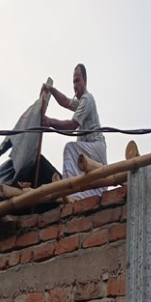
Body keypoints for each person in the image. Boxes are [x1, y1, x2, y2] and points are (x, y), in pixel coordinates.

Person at [42, 63, 108, 200]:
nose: (75, 85)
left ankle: (71, 193)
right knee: (86, 174)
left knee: (70, 149)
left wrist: (50, 122)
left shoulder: (87, 100)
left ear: (85, 80)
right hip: (91, 150)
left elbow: (72, 126)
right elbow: (66, 102)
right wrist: (51, 89)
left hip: (95, 147)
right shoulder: (81, 101)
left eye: (78, 81)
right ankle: (81, 196)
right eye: (73, 82)